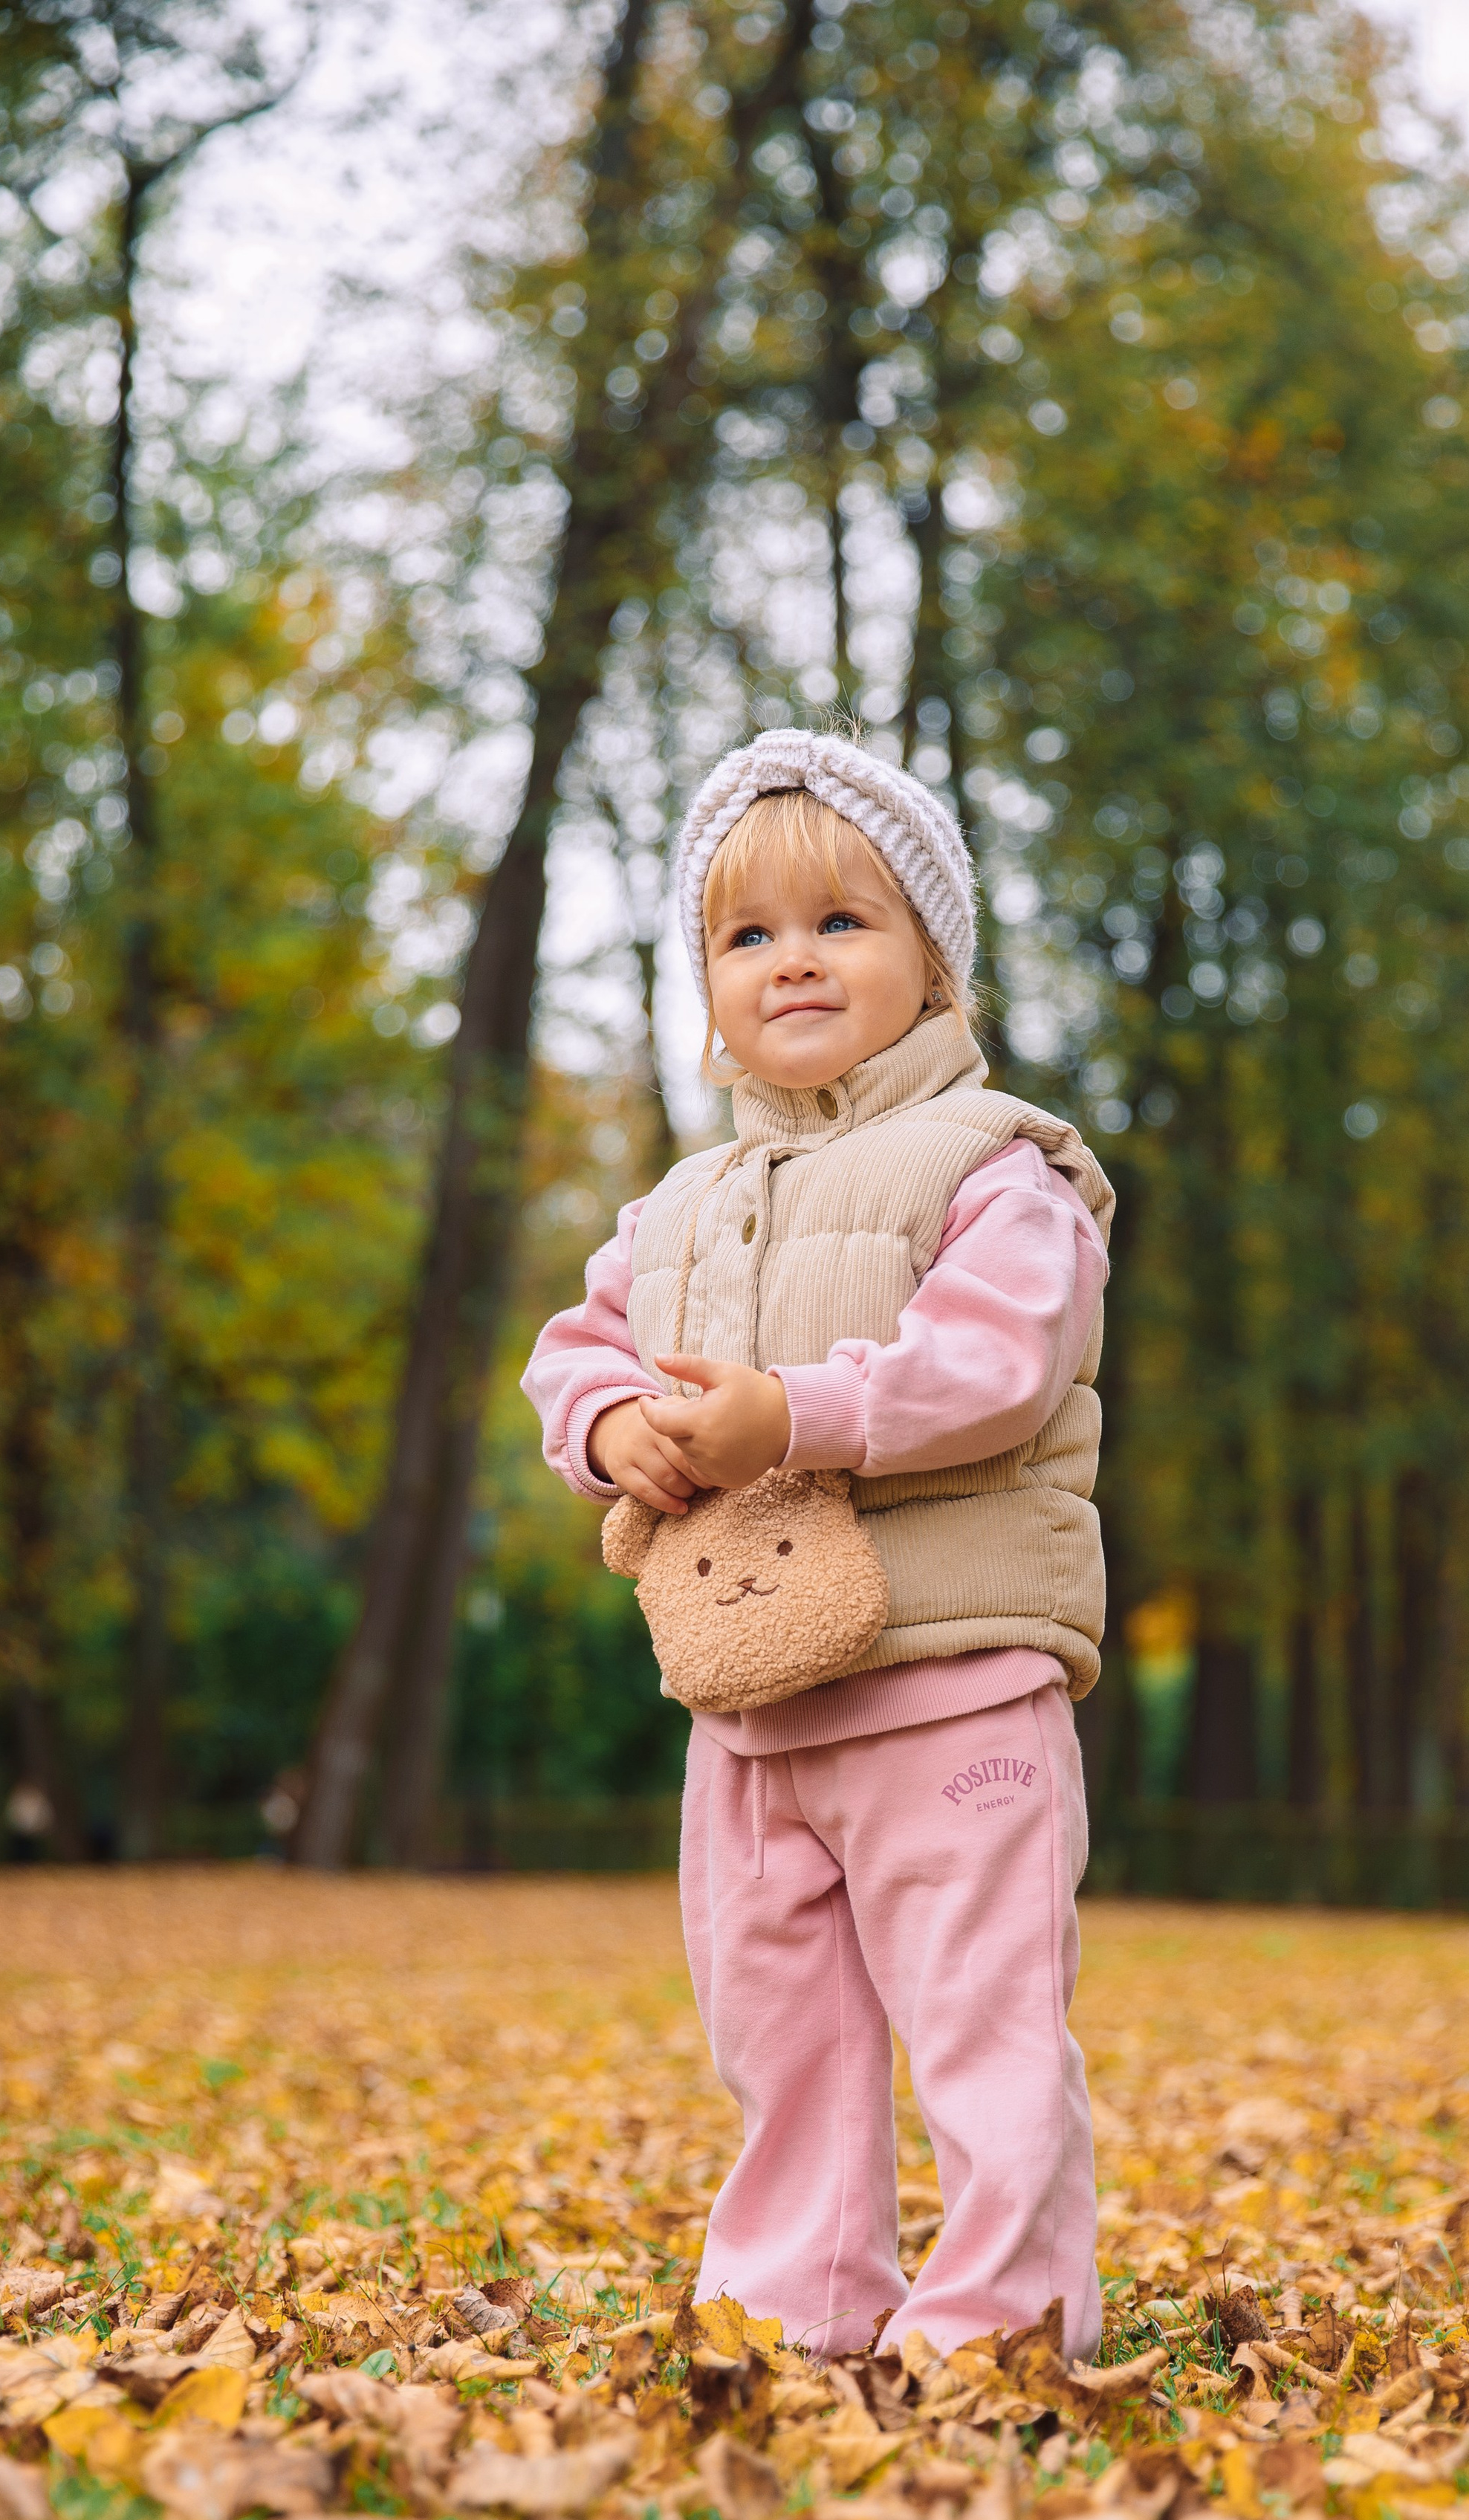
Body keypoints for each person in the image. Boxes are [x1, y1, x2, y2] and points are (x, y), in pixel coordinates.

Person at [522, 728, 1112, 2361]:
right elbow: (573, 1350)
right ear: (707, 988)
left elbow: (997, 1365)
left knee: (980, 2019)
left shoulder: (998, 1167)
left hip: (952, 1683)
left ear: (934, 962)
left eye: (842, 922)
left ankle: (1003, 2318)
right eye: (747, 935)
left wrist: (792, 1416)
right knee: (779, 2031)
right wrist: (611, 1428)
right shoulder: (678, 1206)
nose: (793, 960)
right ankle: (803, 2297)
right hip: (750, 1700)